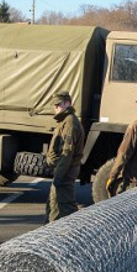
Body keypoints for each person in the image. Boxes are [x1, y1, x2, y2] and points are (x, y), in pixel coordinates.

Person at [44, 91, 84, 223]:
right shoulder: (65, 121)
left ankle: (70, 233)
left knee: (65, 206)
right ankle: (49, 229)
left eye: (58, 105)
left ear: (67, 103)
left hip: (66, 170)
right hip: (64, 169)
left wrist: (59, 175)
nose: (55, 108)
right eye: (54, 105)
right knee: (55, 203)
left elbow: (67, 152)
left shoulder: (70, 123)